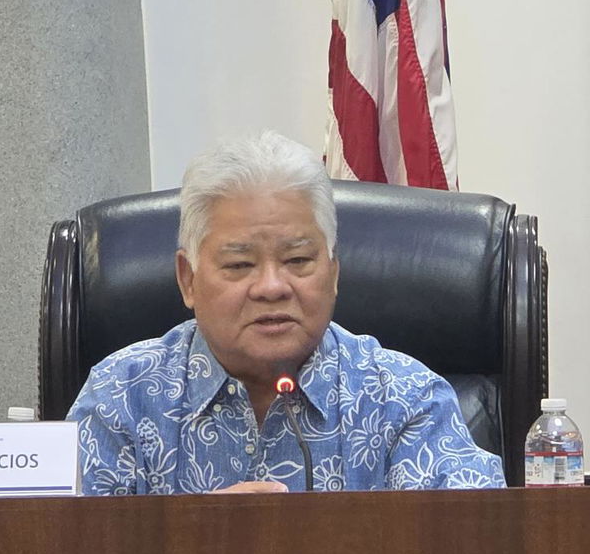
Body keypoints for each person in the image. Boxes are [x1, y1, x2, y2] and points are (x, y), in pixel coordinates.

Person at [69, 132, 504, 494]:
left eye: (297, 261)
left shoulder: (406, 400)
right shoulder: (122, 398)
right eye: (240, 265)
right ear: (188, 279)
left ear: (333, 273)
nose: (272, 287)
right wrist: (192, 543)